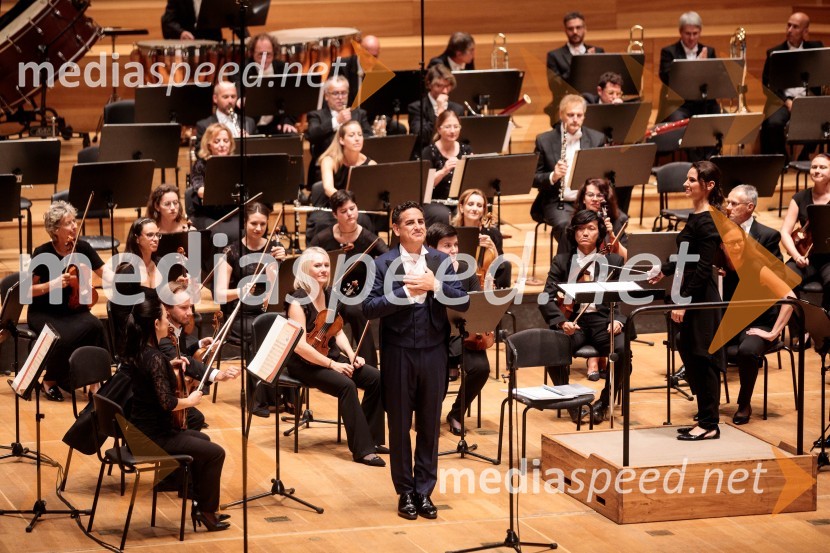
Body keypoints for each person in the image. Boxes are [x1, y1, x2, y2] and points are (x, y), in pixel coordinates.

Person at [363, 201, 469, 520]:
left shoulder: (440, 260)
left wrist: (434, 285)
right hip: (398, 352)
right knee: (398, 424)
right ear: (396, 229)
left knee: (429, 423)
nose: (418, 226)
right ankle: (405, 491)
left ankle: (424, 490)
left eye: (421, 221)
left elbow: (463, 300)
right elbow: (368, 307)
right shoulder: (382, 263)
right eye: (410, 222)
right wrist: (404, 295)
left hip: (434, 351)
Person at [123, 291, 229, 531]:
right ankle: (207, 511)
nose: (168, 322)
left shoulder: (141, 351)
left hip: (140, 432)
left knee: (203, 441)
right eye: (164, 317)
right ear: (156, 324)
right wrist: (190, 401)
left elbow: (151, 378)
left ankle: (198, 502)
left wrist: (168, 365)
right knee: (216, 453)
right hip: (153, 437)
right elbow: (168, 403)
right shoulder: (154, 357)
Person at [284, 247, 386, 467]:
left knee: (376, 378)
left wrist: (351, 355)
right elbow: (300, 346)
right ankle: (362, 450)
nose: (324, 269)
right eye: (317, 265)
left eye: (326, 265)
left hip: (328, 357)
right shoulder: (297, 302)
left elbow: (337, 331)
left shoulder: (330, 295)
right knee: (347, 385)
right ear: (305, 269)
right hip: (304, 363)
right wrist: (333, 365)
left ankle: (373, 438)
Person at [648, 160, 726, 441]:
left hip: (700, 296)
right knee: (688, 348)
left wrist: (683, 302)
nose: (686, 183)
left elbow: (703, 268)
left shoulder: (709, 219)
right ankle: (704, 415)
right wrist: (664, 270)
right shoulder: (696, 216)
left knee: (704, 356)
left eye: (692, 180)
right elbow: (687, 257)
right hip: (692, 290)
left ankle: (709, 423)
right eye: (687, 178)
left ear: (709, 185)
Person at [540, 209, 627, 420]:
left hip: (603, 321)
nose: (585, 233)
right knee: (553, 351)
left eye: (591, 228)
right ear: (574, 233)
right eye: (580, 229)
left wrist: (618, 320)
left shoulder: (613, 260)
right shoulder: (562, 261)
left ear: (599, 233)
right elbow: (545, 298)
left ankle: (604, 403)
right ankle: (571, 403)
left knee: (623, 352)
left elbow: (623, 297)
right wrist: (561, 322)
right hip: (573, 322)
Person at [721, 194, 794, 425]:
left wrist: (773, 332)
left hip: (759, 322)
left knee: (747, 350)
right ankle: (707, 404)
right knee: (690, 340)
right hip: (729, 322)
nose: (734, 248)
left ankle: (744, 404)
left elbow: (790, 297)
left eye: (738, 243)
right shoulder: (720, 266)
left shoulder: (758, 266)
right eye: (729, 244)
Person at [26, 201, 108, 400]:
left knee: (96, 327)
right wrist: (52, 284)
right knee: (61, 337)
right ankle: (50, 380)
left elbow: (105, 273)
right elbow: (25, 291)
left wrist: (125, 276)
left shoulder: (82, 248)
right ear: (55, 230)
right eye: (68, 223)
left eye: (74, 221)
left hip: (74, 310)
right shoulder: (43, 253)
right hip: (45, 311)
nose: (74, 226)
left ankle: (94, 381)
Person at [213, 201, 286, 417]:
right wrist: (240, 291)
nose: (258, 228)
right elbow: (219, 293)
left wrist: (278, 264)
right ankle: (257, 399)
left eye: (263, 224)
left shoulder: (273, 249)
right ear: (244, 223)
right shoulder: (231, 252)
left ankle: (283, 396)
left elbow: (275, 291)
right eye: (254, 223)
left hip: (264, 311)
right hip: (238, 315)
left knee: (286, 330)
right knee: (259, 331)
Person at [310, 189, 388, 366]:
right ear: (335, 214)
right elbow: (308, 260)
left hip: (356, 293)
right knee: (323, 313)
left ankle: (369, 366)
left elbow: (388, 259)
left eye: (352, 208)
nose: (350, 214)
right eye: (343, 211)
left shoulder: (369, 238)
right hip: (327, 292)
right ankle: (320, 360)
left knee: (357, 311)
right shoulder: (323, 238)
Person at [425, 222, 489, 436]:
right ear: (432, 249)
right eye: (447, 246)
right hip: (434, 338)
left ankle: (457, 413)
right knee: (438, 377)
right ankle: (428, 415)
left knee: (481, 368)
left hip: (462, 336)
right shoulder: (425, 273)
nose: (453, 250)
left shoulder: (465, 270)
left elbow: (476, 305)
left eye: (455, 245)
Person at [158, 282, 241, 430]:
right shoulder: (162, 336)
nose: (190, 312)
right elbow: (184, 360)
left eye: (190, 306)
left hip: (169, 393)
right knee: (195, 419)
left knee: (196, 419)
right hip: (157, 399)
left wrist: (199, 344)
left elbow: (181, 353)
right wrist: (219, 374)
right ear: (166, 309)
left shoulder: (176, 326)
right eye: (183, 308)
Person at [531, 94, 607, 244]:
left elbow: (602, 175)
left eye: (579, 115)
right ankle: (570, 258)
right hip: (557, 202)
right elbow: (533, 178)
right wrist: (553, 176)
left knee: (618, 219)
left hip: (588, 201)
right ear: (561, 114)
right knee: (566, 226)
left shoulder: (596, 139)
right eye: (570, 115)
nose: (575, 119)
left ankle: (598, 258)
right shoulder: (544, 140)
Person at [761, 12, 824, 156]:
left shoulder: (816, 48)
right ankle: (783, 160)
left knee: (822, 120)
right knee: (773, 124)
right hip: (783, 101)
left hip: (809, 100)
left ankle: (803, 157)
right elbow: (767, 85)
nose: (789, 30)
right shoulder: (774, 52)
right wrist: (787, 102)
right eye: (788, 25)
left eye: (795, 27)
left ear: (805, 31)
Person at [306, 119, 378, 242]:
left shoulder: (371, 164)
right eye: (352, 135)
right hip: (331, 207)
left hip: (358, 208)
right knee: (320, 222)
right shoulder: (329, 160)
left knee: (363, 220)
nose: (357, 139)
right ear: (341, 140)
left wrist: (352, 208)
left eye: (360, 135)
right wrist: (346, 204)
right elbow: (328, 188)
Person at [780, 153, 830, 310]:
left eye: (823, 167)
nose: (817, 170)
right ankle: (797, 322)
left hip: (829, 259)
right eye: (814, 167)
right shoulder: (800, 197)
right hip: (805, 256)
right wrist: (796, 256)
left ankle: (823, 322)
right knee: (783, 278)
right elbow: (785, 232)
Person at [306, 75, 373, 184]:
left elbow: (369, 137)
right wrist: (336, 121)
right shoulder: (316, 115)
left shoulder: (359, 114)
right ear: (326, 96)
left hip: (354, 167)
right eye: (335, 93)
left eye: (344, 93)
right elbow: (312, 135)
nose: (340, 97)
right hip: (326, 169)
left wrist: (352, 137)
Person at [658, 12, 720, 124]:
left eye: (695, 33)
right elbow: (666, 77)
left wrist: (705, 67)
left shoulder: (709, 52)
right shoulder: (669, 52)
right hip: (679, 104)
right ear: (680, 32)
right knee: (677, 120)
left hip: (703, 102)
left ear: (700, 31)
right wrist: (697, 65)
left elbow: (715, 79)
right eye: (687, 33)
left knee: (718, 118)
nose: (691, 38)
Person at [187, 122, 240, 243]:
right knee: (217, 235)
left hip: (232, 212)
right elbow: (200, 190)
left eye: (226, 141)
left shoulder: (236, 163)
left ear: (231, 143)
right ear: (209, 145)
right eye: (217, 141)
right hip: (207, 213)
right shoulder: (201, 164)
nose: (222, 145)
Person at [451, 188, 511, 289]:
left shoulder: (493, 233)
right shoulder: (451, 232)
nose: (475, 209)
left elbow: (500, 267)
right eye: (470, 204)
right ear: (461, 208)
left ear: (483, 210)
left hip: (483, 282)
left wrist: (493, 248)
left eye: (479, 206)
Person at [420, 110, 471, 227]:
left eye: (456, 126)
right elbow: (425, 186)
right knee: (443, 214)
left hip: (459, 200)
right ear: (439, 129)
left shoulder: (466, 150)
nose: (452, 131)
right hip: (434, 201)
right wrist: (443, 171)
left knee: (471, 210)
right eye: (448, 127)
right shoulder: (429, 152)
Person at [559, 178, 629, 260]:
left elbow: (626, 259)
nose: (595, 199)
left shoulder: (614, 223)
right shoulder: (573, 225)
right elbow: (561, 260)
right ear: (583, 199)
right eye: (590, 195)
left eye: (599, 195)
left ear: (606, 199)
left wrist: (611, 236)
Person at [244, 34, 299, 135]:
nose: (264, 59)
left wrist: (288, 122)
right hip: (249, 125)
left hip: (275, 124)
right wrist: (240, 98)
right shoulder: (243, 69)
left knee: (291, 136)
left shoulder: (283, 68)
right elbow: (237, 87)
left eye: (268, 54)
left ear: (274, 53)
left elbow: (293, 98)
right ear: (252, 53)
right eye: (260, 54)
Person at [408, 64, 465, 158]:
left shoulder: (458, 109)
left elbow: (461, 139)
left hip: (452, 156)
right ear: (429, 84)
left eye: (448, 86)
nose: (445, 91)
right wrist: (439, 112)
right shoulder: (416, 108)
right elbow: (421, 138)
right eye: (439, 86)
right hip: (425, 157)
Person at [546, 12, 605, 80]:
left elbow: (604, 80)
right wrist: (583, 62)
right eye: (570, 29)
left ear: (585, 29)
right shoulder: (554, 56)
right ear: (565, 31)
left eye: (578, 27)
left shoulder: (598, 52)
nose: (575, 32)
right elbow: (554, 84)